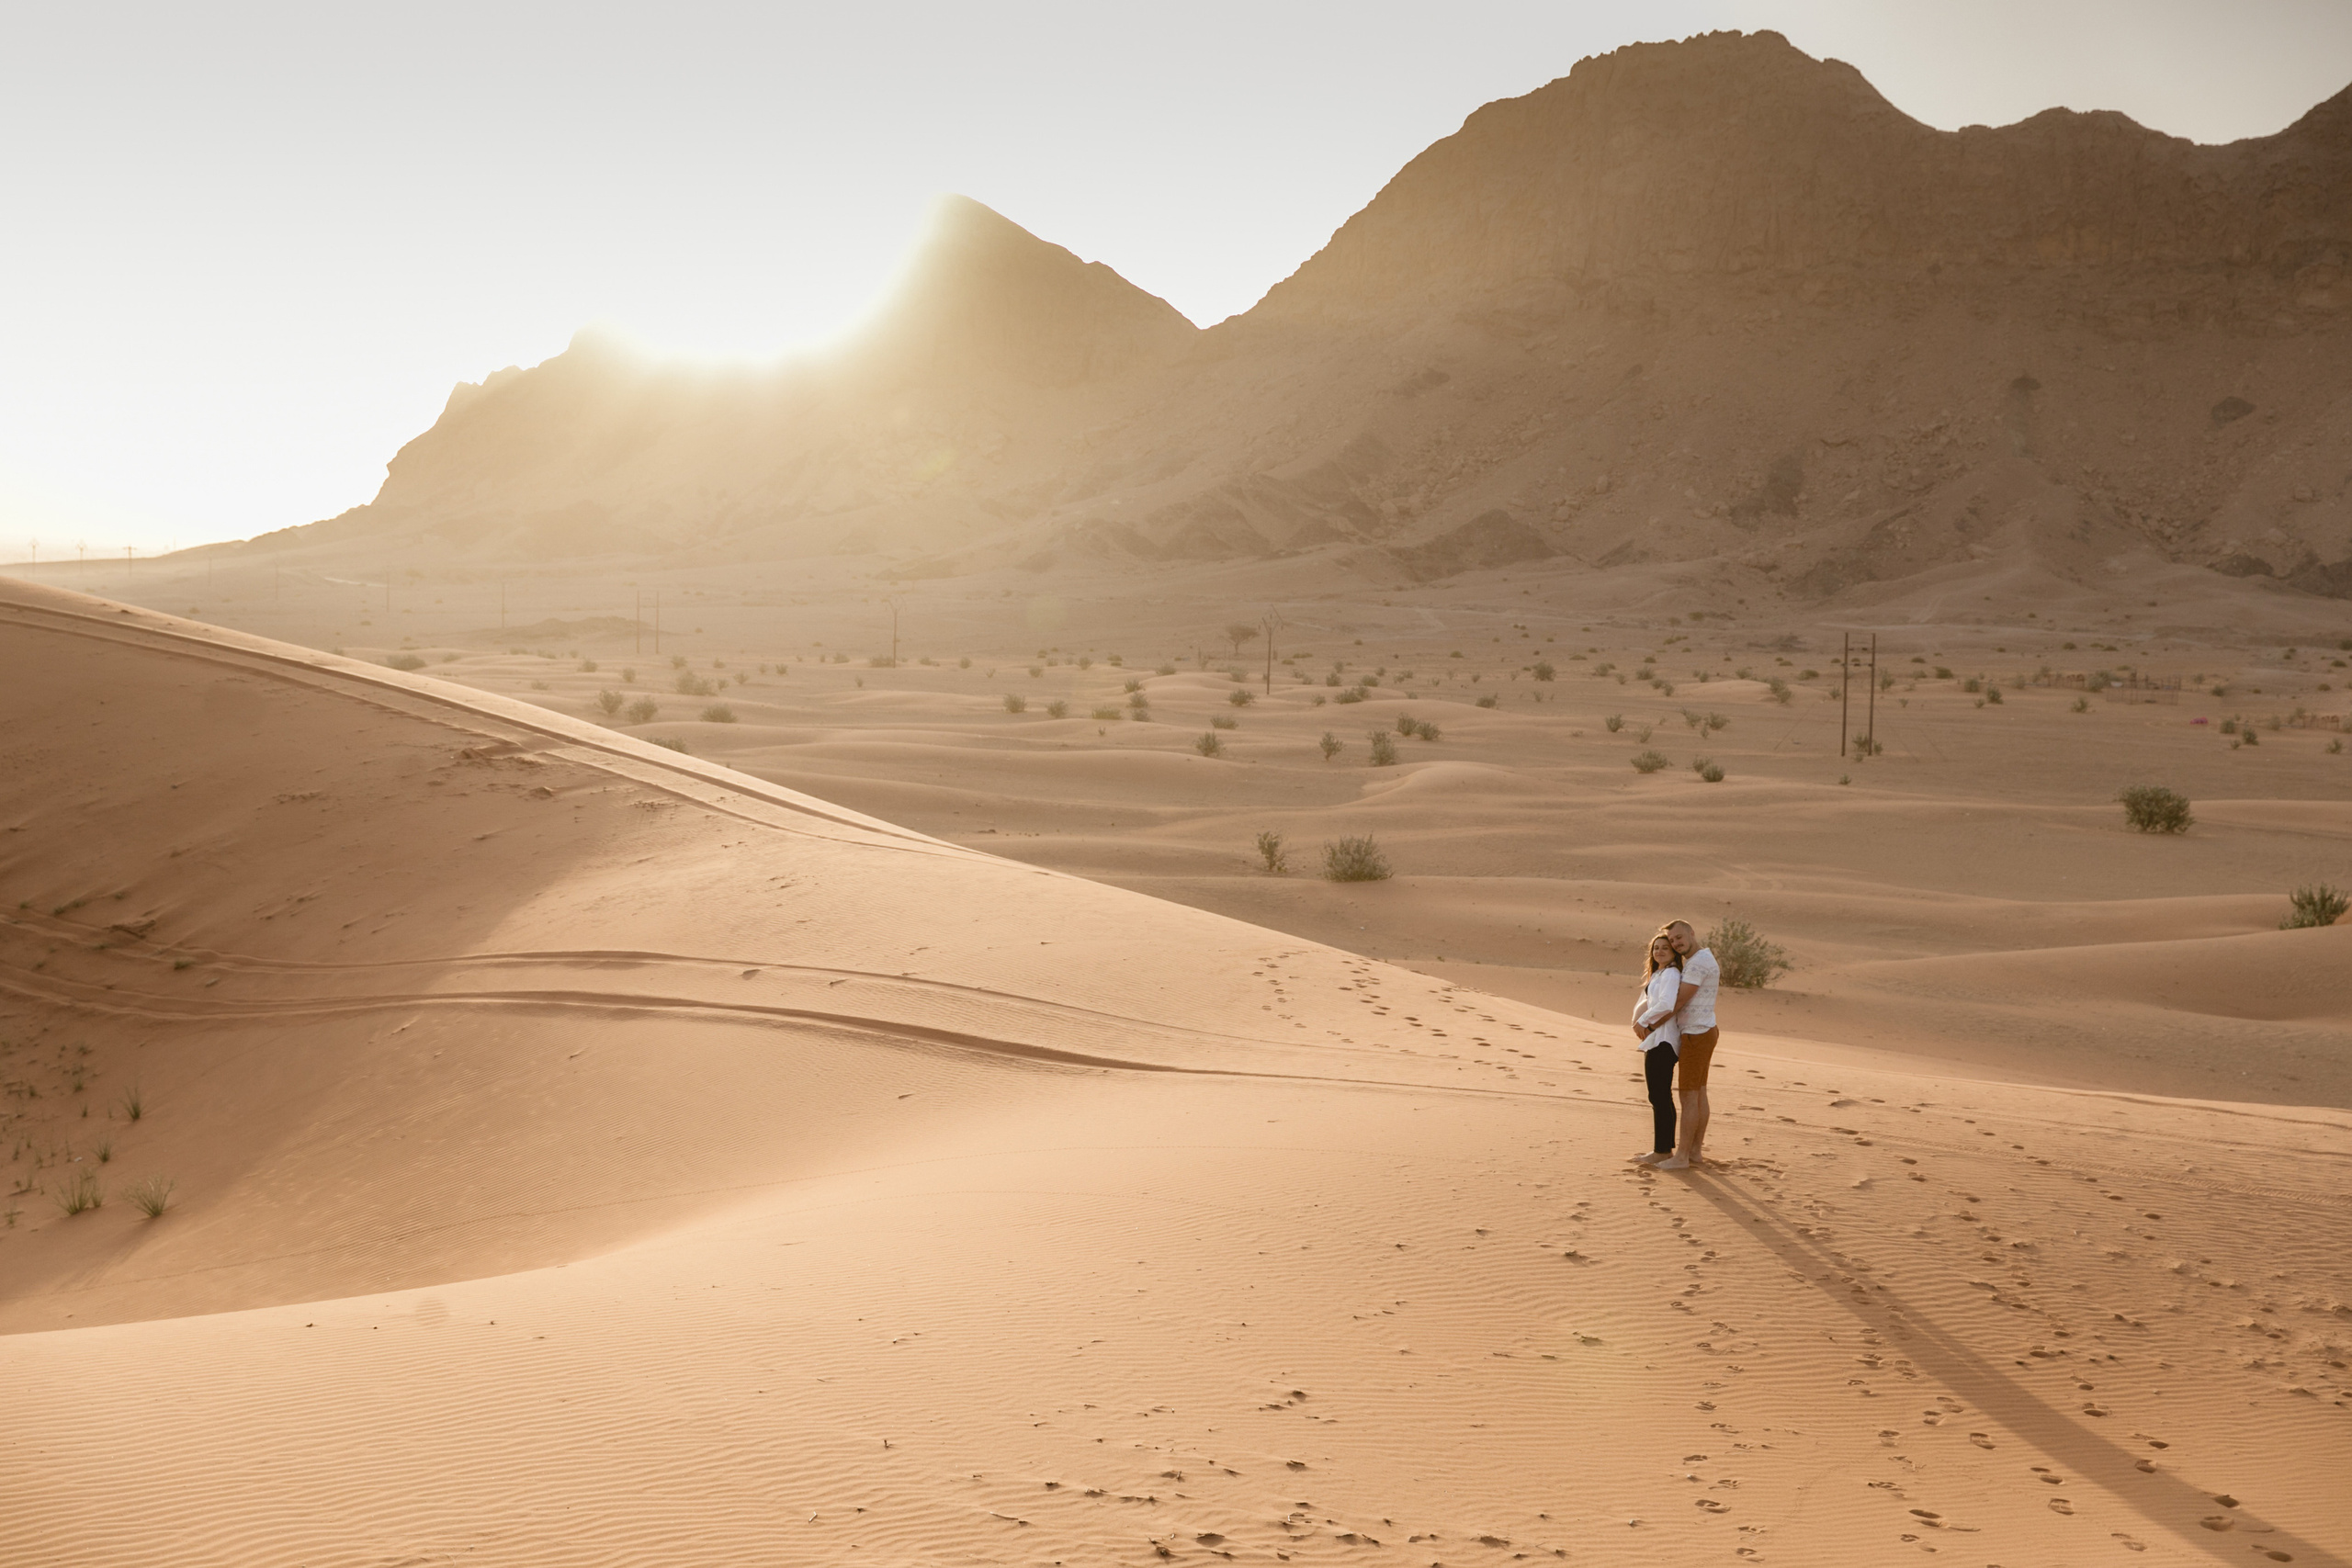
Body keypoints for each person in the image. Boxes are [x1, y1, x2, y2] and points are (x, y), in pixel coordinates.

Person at [1658, 919, 1722, 1170]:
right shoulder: (1701, 959)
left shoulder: (1697, 964)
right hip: (1704, 1030)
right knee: (1699, 1094)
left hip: (1696, 1034)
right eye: (1672, 940)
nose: (1675, 943)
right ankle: (1694, 1152)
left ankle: (1683, 1156)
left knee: (1689, 1096)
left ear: (1692, 933)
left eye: (1678, 937)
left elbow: (1680, 1001)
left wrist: (1651, 1024)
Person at [1627, 931, 1683, 1166]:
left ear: (1674, 953)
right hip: (1656, 1040)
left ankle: (1661, 1151)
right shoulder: (1660, 974)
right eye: (1656, 947)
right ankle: (1664, 1149)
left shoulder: (1671, 974)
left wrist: (1644, 1022)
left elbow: (1666, 1004)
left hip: (1663, 1040)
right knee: (1660, 1096)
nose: (1659, 951)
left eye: (1665, 948)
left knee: (1659, 1096)